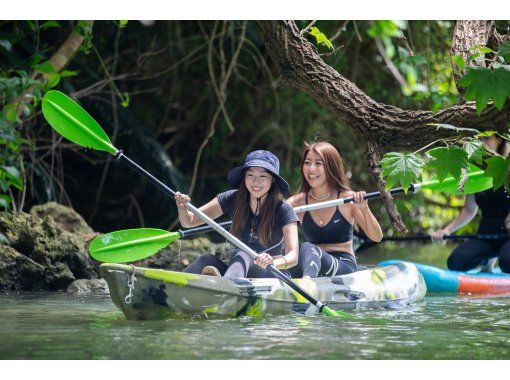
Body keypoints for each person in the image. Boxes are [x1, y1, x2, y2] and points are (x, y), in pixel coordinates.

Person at [175, 150, 300, 278]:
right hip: (238, 269)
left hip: (269, 273)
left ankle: (224, 288)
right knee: (206, 260)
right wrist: (182, 208)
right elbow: (188, 221)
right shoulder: (231, 198)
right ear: (244, 177)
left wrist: (273, 262)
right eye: (250, 175)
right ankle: (169, 289)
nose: (255, 181)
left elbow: (293, 256)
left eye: (263, 176)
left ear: (273, 180)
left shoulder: (284, 209)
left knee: (243, 254)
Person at [287, 141, 383, 278]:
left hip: (343, 264)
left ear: (331, 167)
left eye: (318, 164)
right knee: (292, 253)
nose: (311, 169)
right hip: (311, 262)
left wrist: (364, 208)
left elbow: (377, 237)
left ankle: (306, 283)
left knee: (307, 247)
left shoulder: (347, 200)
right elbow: (271, 219)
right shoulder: (298, 202)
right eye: (307, 163)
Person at [431, 135, 510, 273]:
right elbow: (469, 210)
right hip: (486, 237)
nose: (482, 144)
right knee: (455, 262)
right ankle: (487, 261)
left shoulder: (507, 167)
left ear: (499, 140)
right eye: (479, 140)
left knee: (507, 261)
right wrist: (447, 230)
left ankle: (500, 259)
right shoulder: (473, 172)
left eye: (487, 138)